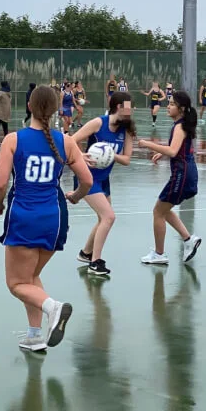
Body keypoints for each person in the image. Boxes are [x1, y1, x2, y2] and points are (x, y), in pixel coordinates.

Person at [0, 85, 93, 353]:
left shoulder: (13, 140)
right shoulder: (66, 142)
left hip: (24, 217)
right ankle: (35, 335)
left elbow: (0, 183)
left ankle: (53, 307)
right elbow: (87, 180)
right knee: (31, 277)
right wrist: (76, 196)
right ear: (56, 109)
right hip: (54, 218)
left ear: (29, 106)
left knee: (16, 283)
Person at [72, 91, 135, 276]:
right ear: (118, 107)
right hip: (87, 177)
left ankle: (86, 253)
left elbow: (127, 159)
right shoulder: (99, 123)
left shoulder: (127, 130)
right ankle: (95, 262)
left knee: (103, 219)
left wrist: (110, 154)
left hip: (103, 179)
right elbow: (71, 141)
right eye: (129, 107)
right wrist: (81, 155)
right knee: (109, 217)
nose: (131, 110)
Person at [138, 90, 201, 265]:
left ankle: (159, 254)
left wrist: (149, 144)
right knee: (164, 209)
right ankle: (188, 239)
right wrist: (163, 153)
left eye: (172, 104)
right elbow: (178, 149)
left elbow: (173, 151)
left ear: (181, 109)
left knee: (158, 211)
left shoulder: (180, 126)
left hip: (182, 175)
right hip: (186, 173)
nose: (168, 106)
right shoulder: (181, 125)